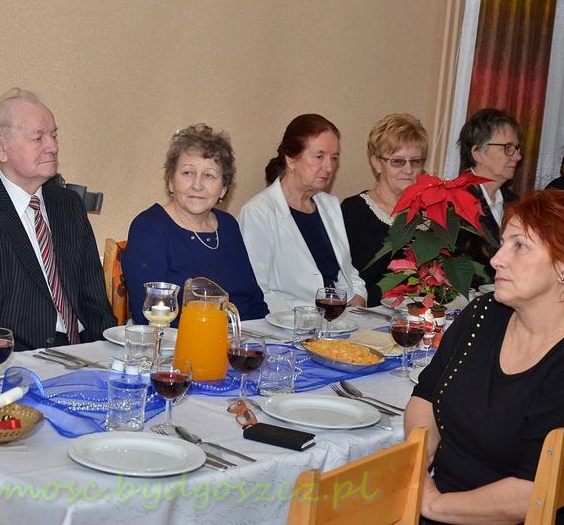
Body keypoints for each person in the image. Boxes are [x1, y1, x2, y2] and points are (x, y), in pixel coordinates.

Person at [405, 189, 564, 524]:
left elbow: (531, 492)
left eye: (520, 246)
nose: (496, 259)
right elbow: (426, 396)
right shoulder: (484, 314)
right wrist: (419, 466)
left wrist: (433, 505)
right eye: (503, 243)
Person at [0, 88, 114, 350]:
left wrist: (107, 358)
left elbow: (96, 304)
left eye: (54, 136)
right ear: (1, 147)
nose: (53, 147)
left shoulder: (68, 205)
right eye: (38, 138)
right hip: (14, 360)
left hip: (83, 353)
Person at [122, 124, 268, 325]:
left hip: (242, 339)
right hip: (181, 341)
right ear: (171, 181)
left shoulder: (228, 226)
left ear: (223, 189)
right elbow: (150, 318)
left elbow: (256, 303)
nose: (197, 185)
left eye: (209, 175)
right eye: (188, 173)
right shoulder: (149, 228)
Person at [239, 114, 366, 313]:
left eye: (334, 158)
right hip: (286, 324)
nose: (329, 167)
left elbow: (348, 273)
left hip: (340, 320)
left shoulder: (331, 205)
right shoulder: (258, 212)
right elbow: (257, 290)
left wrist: (358, 299)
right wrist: (307, 319)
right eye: (319, 156)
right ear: (291, 159)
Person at [341, 114, 428, 307]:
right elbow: (343, 278)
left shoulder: (428, 216)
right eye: (398, 161)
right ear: (377, 163)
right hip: (367, 316)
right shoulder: (353, 211)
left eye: (415, 161)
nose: (409, 170)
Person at [456, 108, 522, 281]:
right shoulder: (454, 202)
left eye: (517, 148)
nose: (518, 157)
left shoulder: (515, 203)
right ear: (477, 153)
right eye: (508, 148)